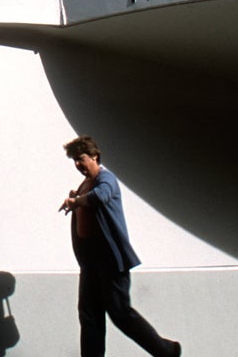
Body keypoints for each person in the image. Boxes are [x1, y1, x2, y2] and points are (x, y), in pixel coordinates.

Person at [58, 136, 180, 357]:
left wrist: (77, 201)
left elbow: (101, 196)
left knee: (120, 313)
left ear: (94, 156)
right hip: (90, 261)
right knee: (89, 315)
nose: (78, 164)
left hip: (110, 261)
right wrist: (76, 200)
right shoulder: (85, 185)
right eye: (74, 160)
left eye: (81, 158)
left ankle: (167, 351)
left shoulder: (106, 178)